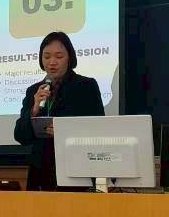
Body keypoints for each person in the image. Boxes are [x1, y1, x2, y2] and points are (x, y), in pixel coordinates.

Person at [14, 31, 104, 190]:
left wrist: (65, 133)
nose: (52, 62)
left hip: (76, 174)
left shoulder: (86, 86)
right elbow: (20, 136)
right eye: (46, 57)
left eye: (59, 56)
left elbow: (98, 130)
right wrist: (34, 110)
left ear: (70, 58)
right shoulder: (34, 91)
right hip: (40, 176)